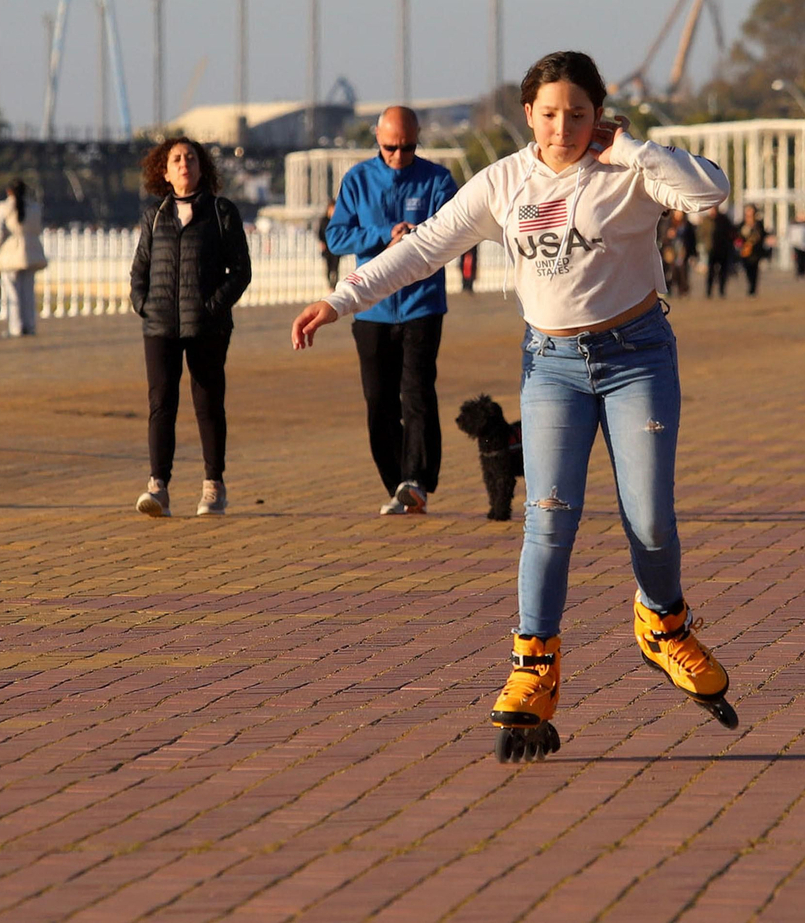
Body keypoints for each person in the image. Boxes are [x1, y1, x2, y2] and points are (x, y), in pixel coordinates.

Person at [290, 51, 737, 756]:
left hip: (637, 357)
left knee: (649, 518)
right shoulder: (503, 182)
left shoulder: (630, 171)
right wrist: (341, 299)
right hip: (553, 365)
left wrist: (633, 146)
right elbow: (426, 247)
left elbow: (711, 195)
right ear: (528, 114)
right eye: (550, 114)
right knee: (548, 517)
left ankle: (664, 624)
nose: (563, 128)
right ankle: (534, 666)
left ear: (601, 114)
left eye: (580, 114)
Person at [325, 106, 459, 516]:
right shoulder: (358, 179)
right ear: (377, 141)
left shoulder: (438, 180)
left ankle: (416, 480)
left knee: (417, 393)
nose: (398, 156)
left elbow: (456, 230)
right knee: (378, 400)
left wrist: (420, 237)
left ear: (418, 139)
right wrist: (385, 234)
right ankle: (396, 482)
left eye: (407, 147)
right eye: (390, 148)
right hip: (371, 311)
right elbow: (336, 236)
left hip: (422, 305)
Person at [129, 136, 252, 517]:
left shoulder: (221, 211)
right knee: (161, 404)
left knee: (208, 404)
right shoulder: (155, 216)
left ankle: (213, 485)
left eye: (191, 159)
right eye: (177, 159)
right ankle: (158, 487)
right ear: (163, 172)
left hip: (208, 327)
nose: (185, 164)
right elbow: (139, 271)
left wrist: (214, 306)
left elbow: (241, 271)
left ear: (202, 168)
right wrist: (144, 305)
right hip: (160, 326)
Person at [0, 179, 47, 337]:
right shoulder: (35, 208)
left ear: (9, 192)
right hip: (30, 251)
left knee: (13, 293)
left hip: (11, 252)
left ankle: (16, 327)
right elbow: (38, 229)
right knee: (28, 292)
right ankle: (30, 325)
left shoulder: (4, 207)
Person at [704, 206, 735, 298]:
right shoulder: (706, 220)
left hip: (723, 249)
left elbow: (731, 233)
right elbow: (702, 233)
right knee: (710, 272)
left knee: (723, 272)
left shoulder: (724, 220)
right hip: (711, 249)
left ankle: (721, 291)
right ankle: (709, 292)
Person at [737, 204, 768, 295]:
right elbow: (738, 235)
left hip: (755, 252)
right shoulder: (742, 224)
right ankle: (750, 285)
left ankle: (753, 289)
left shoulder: (758, 224)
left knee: (755, 270)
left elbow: (763, 235)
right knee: (747, 270)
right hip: (745, 251)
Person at [314, 200, 342, 290]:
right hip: (327, 247)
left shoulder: (338, 220)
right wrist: (321, 242)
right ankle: (330, 285)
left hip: (336, 247)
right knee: (328, 266)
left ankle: (334, 284)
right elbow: (320, 233)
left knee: (336, 266)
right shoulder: (324, 221)